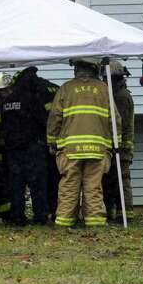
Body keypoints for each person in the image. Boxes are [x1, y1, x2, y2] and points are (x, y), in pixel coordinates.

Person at [47, 58, 113, 229]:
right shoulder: (104, 89)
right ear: (95, 69)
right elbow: (115, 119)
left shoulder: (66, 89)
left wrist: (52, 142)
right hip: (97, 148)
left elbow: (55, 117)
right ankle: (95, 222)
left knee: (69, 185)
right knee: (93, 186)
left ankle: (64, 222)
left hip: (70, 149)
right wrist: (115, 144)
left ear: (76, 69)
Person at [0, 68, 59, 226]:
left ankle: (17, 217)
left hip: (12, 150)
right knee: (38, 184)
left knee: (16, 185)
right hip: (33, 147)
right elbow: (43, 121)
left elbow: (1, 125)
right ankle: (40, 216)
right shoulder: (33, 98)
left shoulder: (7, 102)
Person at [102, 60, 135, 223]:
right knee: (111, 181)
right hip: (115, 146)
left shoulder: (120, 96)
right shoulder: (115, 94)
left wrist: (116, 145)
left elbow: (119, 123)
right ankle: (113, 212)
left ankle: (125, 214)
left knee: (122, 180)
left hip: (120, 148)